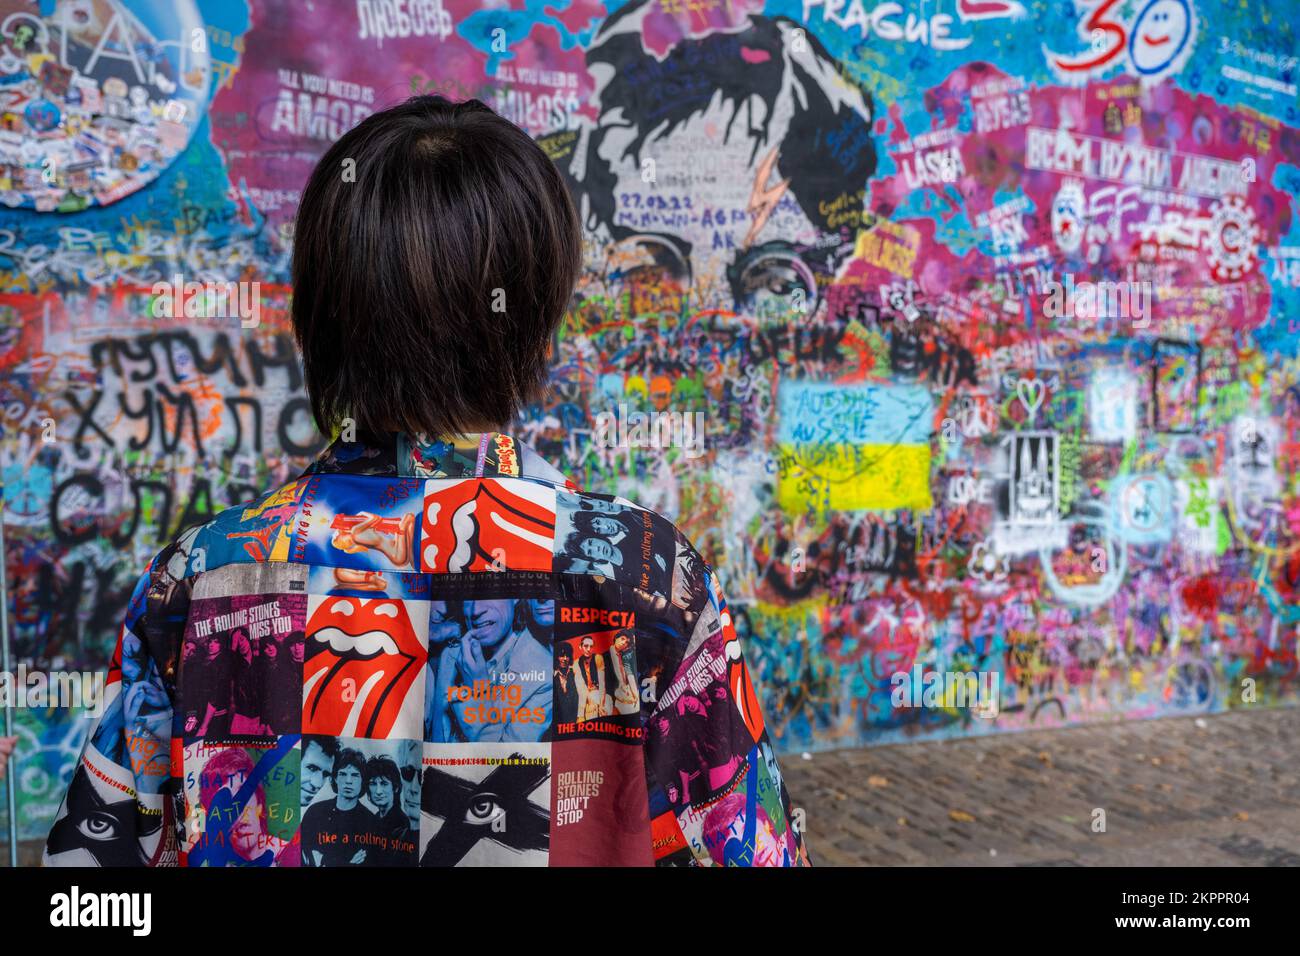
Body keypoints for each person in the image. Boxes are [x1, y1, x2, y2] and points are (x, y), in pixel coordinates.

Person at [43, 92, 808, 867]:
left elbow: (96, 884)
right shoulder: (642, 577)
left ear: (321, 314)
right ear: (537, 313)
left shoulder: (200, 580)